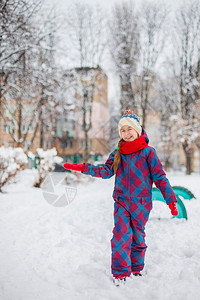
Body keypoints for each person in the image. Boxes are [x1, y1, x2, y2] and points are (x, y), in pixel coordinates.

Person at [63, 109, 178, 287]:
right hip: (122, 202)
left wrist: (170, 200)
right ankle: (120, 273)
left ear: (137, 130)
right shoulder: (118, 153)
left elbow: (160, 177)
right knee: (121, 235)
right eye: (122, 130)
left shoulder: (148, 153)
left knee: (138, 237)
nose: (126, 133)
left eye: (129, 129)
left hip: (141, 204)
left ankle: (137, 268)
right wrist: (83, 168)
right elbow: (106, 171)